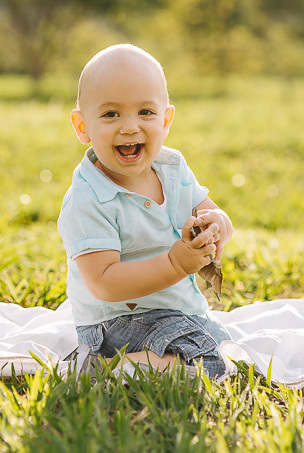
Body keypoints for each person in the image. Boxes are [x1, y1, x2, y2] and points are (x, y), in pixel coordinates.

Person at [57, 43, 234, 378]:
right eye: (111, 114)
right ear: (82, 126)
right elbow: (104, 283)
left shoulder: (171, 167)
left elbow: (212, 213)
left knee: (224, 347)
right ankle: (104, 367)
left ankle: (150, 363)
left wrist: (216, 225)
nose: (129, 127)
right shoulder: (88, 198)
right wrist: (175, 263)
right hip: (117, 323)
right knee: (211, 361)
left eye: (145, 113)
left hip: (175, 311)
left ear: (166, 120)